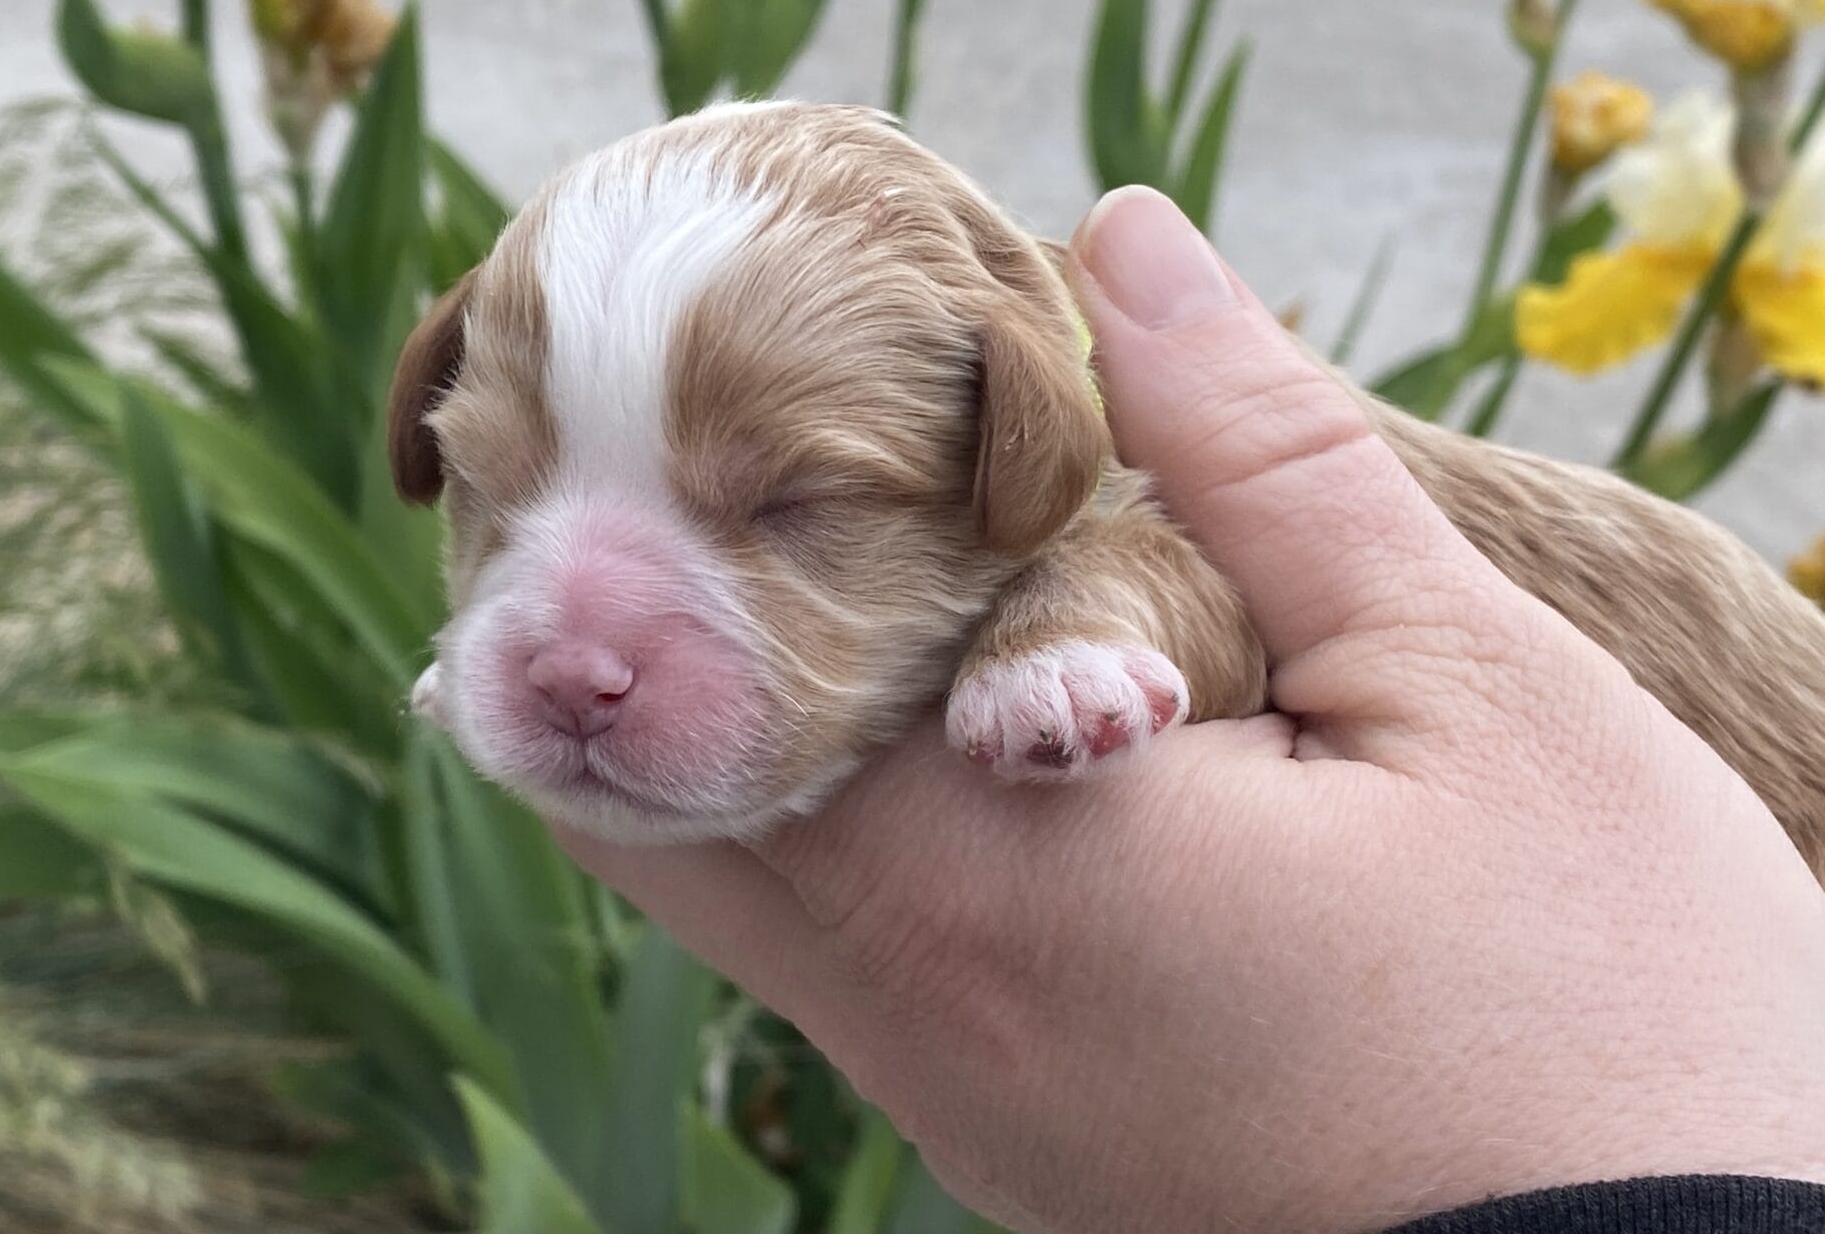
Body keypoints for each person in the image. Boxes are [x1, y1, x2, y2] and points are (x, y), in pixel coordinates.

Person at [558, 186, 1825, 1233]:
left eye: (794, 508)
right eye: (493, 498)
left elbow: (1176, 577)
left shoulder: (1092, 465)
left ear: (1024, 423)